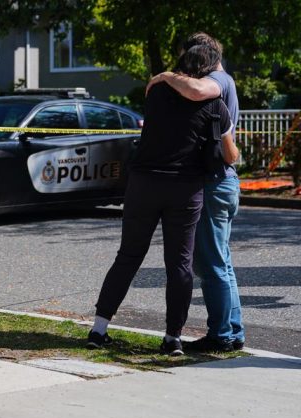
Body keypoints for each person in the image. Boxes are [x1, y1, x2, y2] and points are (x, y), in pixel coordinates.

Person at [87, 44, 234, 356]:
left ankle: (99, 329)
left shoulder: (155, 92)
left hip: (143, 183)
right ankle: (172, 338)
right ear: (207, 72)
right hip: (185, 188)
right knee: (179, 264)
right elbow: (227, 151)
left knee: (128, 256)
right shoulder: (216, 106)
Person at [147, 33, 244, 352]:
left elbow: (199, 90)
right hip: (223, 180)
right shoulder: (223, 80)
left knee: (211, 262)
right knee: (222, 261)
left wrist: (164, 76)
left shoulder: (216, 81)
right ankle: (233, 330)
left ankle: (222, 335)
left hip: (214, 182)